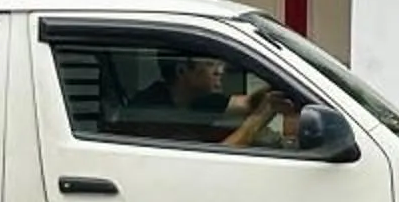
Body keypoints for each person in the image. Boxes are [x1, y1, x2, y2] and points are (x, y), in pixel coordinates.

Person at [124, 52, 299, 148]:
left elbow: (247, 103)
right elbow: (217, 157)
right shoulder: (154, 111)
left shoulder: (197, 100)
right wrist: (259, 117)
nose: (220, 71)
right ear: (182, 70)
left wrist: (282, 84)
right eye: (209, 64)